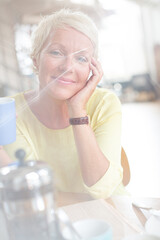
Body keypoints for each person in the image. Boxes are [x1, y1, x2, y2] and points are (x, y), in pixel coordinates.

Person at [1, 8, 126, 199]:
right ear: (35, 59)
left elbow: (102, 190)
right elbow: (28, 190)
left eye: (81, 58)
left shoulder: (105, 103)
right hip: (47, 216)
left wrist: (77, 111)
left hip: (111, 213)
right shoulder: (11, 110)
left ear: (92, 68)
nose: (68, 67)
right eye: (57, 52)